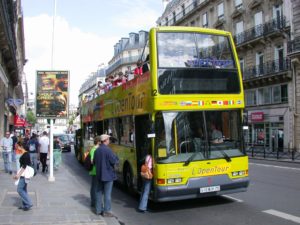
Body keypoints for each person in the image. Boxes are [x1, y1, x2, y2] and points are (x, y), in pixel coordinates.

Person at [93, 134, 119, 217]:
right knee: (107, 194)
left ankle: (98, 210)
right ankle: (107, 211)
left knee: (98, 192)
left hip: (99, 175)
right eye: (108, 139)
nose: (109, 141)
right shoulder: (108, 150)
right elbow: (114, 161)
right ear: (105, 140)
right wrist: (116, 158)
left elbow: (94, 162)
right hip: (108, 176)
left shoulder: (97, 150)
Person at [13, 142, 33, 211]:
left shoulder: (25, 154)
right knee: (24, 189)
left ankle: (29, 203)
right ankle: (25, 205)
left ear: (21, 146)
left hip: (24, 174)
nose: (17, 148)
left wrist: (18, 175)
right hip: (24, 173)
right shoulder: (24, 153)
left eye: (18, 146)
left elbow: (24, 166)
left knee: (19, 189)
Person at [88, 136, 101, 208]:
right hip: (95, 170)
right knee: (95, 187)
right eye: (100, 141)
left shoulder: (95, 149)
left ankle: (94, 201)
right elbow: (92, 160)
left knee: (94, 186)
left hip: (95, 170)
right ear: (98, 142)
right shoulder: (94, 149)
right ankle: (94, 202)